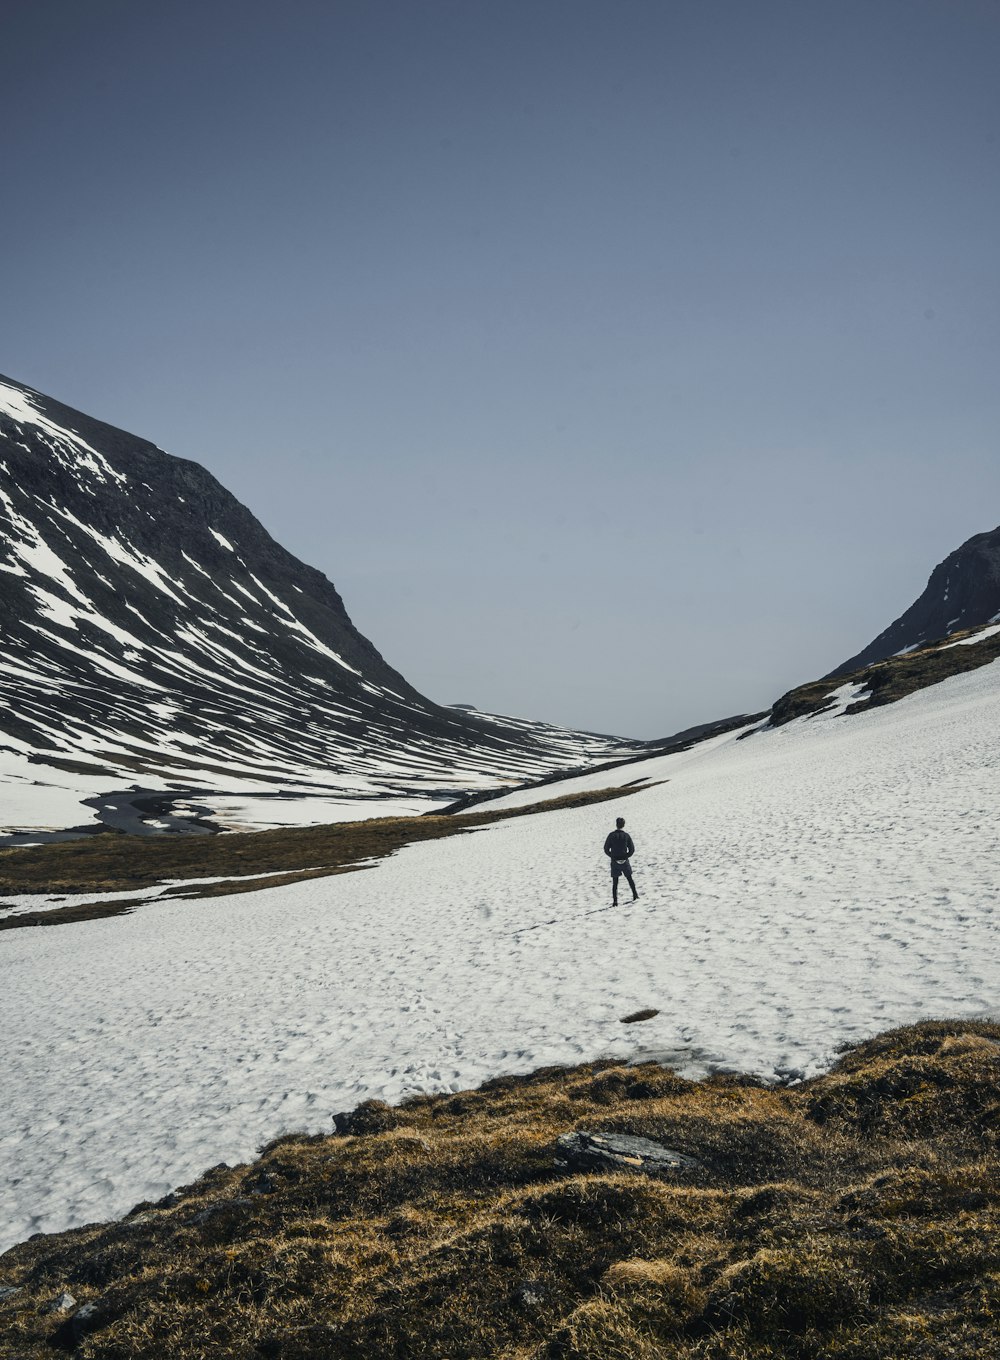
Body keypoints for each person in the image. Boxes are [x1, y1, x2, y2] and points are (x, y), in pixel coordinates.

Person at [604, 816, 638, 905]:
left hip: (614, 861)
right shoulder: (626, 836)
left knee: (615, 882)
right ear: (624, 825)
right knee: (630, 879)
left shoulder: (611, 835)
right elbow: (632, 849)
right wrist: (626, 856)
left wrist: (612, 856)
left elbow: (606, 848)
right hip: (624, 861)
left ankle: (615, 901)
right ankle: (635, 895)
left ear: (616, 824)